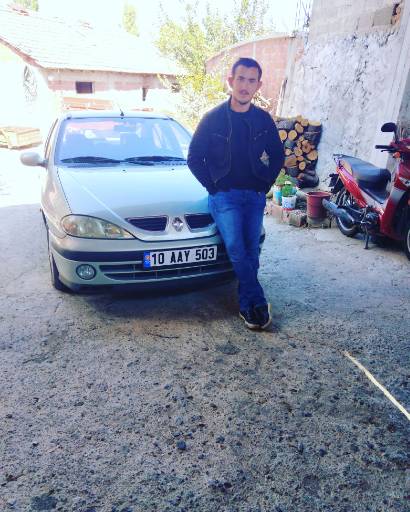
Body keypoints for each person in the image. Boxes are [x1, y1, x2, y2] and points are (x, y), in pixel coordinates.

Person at [187, 57, 284, 330]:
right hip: (225, 196)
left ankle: (246, 305)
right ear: (230, 81)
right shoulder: (213, 119)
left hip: (253, 195)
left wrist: (265, 184)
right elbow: (194, 158)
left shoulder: (262, 119)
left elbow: (277, 155)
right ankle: (258, 302)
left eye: (251, 80)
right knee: (237, 250)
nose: (245, 85)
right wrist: (213, 187)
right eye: (240, 79)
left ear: (258, 86)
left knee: (251, 251)